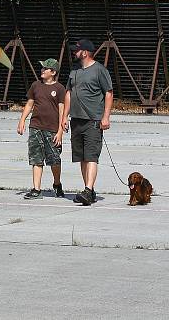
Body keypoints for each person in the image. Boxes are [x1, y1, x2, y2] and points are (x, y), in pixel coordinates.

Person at [61, 39, 113, 206]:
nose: (73, 53)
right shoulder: (74, 71)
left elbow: (109, 93)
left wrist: (105, 117)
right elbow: (69, 93)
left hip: (93, 120)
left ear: (84, 52)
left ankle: (88, 190)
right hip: (76, 120)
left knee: (91, 156)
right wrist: (64, 117)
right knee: (82, 157)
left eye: (76, 50)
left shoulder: (99, 70)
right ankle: (88, 190)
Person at [17, 58, 66, 199]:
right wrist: (22, 120)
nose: (42, 70)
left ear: (53, 72)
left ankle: (57, 184)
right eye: (42, 68)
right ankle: (36, 189)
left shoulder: (60, 89)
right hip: (36, 127)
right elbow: (29, 104)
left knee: (54, 160)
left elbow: (62, 111)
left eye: (45, 68)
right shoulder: (35, 85)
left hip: (52, 129)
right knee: (36, 159)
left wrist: (60, 132)